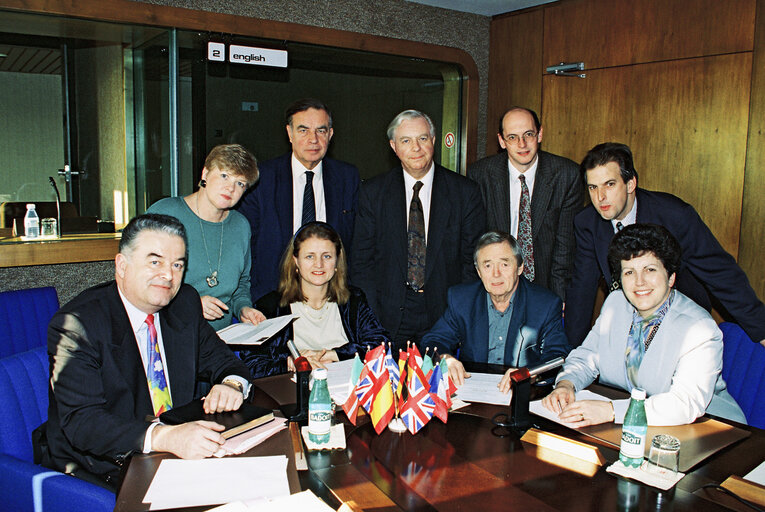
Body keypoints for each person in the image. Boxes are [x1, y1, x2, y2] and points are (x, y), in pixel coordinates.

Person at [41, 214, 253, 490]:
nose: (168, 275)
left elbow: (226, 363)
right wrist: (166, 438)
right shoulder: (78, 324)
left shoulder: (184, 303)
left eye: (178, 264)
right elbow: (83, 423)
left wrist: (232, 385)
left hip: (173, 454)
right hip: (100, 466)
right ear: (122, 265)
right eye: (155, 262)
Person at [543, 223, 745, 426]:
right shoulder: (616, 303)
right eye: (629, 272)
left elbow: (685, 404)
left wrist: (612, 411)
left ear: (671, 277)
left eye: (650, 269)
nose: (639, 282)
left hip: (710, 429)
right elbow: (586, 358)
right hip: (638, 427)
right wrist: (566, 384)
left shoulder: (699, 329)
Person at [565, 142, 765, 347]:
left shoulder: (675, 215)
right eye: (593, 187)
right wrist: (569, 353)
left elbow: (721, 274)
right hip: (630, 322)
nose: (600, 197)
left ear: (631, 184)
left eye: (609, 184)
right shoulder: (587, 222)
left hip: (681, 320)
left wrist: (761, 329)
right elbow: (582, 287)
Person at [351, 109, 486, 352]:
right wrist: (372, 315)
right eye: (406, 141)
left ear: (433, 141)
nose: (416, 148)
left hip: (446, 316)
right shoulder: (373, 193)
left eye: (423, 139)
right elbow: (362, 262)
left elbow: (472, 261)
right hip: (388, 316)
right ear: (393, 146)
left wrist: (459, 313)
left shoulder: (464, 192)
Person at [237, 99, 360, 303]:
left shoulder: (347, 177)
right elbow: (246, 245)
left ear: (330, 134)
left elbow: (356, 242)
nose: (313, 139)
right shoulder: (261, 178)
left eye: (321, 130)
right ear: (290, 133)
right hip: (273, 296)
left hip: (331, 297)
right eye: (303, 130)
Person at [422, 231, 570, 393]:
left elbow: (557, 356)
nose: (496, 274)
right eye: (487, 265)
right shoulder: (461, 299)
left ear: (520, 267)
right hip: (474, 392)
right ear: (479, 272)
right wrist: (445, 358)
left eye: (504, 264)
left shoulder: (545, 304)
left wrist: (527, 374)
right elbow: (434, 340)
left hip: (521, 395)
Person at [239, 222, 389, 378]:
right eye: (310, 256)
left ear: (337, 261)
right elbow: (252, 365)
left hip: (348, 388)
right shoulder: (269, 306)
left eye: (327, 256)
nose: (319, 264)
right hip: (293, 393)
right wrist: (290, 363)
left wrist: (334, 354)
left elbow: (381, 344)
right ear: (296, 261)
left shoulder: (353, 300)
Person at [467, 107, 583, 299]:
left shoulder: (567, 175)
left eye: (528, 134)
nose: (522, 144)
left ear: (540, 134)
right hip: (495, 284)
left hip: (545, 285)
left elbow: (565, 247)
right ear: (501, 141)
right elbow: (476, 240)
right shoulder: (480, 175)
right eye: (512, 137)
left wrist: (558, 299)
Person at [147, 144, 264, 331]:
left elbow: (241, 284)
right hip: (169, 333)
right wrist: (190, 303)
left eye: (240, 183)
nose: (230, 188)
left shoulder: (241, 226)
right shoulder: (165, 213)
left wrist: (243, 308)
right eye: (224, 175)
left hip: (220, 341)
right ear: (205, 174)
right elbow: (142, 278)